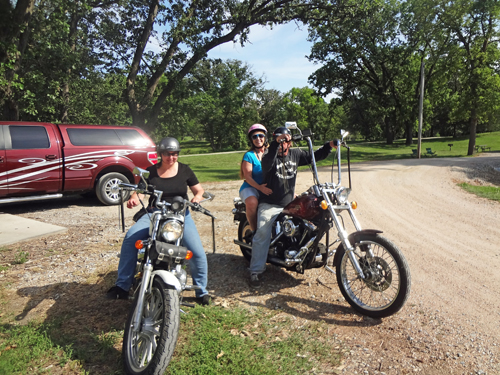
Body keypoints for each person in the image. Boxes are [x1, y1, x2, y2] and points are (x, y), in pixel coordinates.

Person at [106, 137, 211, 305]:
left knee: (197, 252)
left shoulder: (185, 170)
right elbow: (140, 191)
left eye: (175, 154)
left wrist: (196, 199)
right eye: (168, 154)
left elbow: (198, 190)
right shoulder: (151, 171)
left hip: (180, 215)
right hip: (155, 213)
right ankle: (122, 286)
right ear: (160, 154)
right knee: (130, 238)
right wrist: (134, 198)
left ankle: (201, 291)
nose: (171, 158)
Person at [249, 126, 338, 288]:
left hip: (290, 203)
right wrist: (276, 144)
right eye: (280, 140)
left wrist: (329, 145)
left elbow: (314, 156)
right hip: (270, 204)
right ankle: (255, 270)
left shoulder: (295, 154)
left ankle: (304, 253)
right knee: (262, 231)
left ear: (290, 142)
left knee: (313, 219)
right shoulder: (269, 156)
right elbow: (267, 163)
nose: (284, 144)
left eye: (286, 140)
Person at [238, 124, 273, 233]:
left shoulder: (272, 152)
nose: (258, 138)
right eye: (254, 136)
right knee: (252, 202)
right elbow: (247, 177)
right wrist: (259, 188)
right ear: (251, 140)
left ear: (265, 137)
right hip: (251, 187)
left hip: (268, 187)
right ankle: (255, 232)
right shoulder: (249, 155)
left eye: (260, 135)